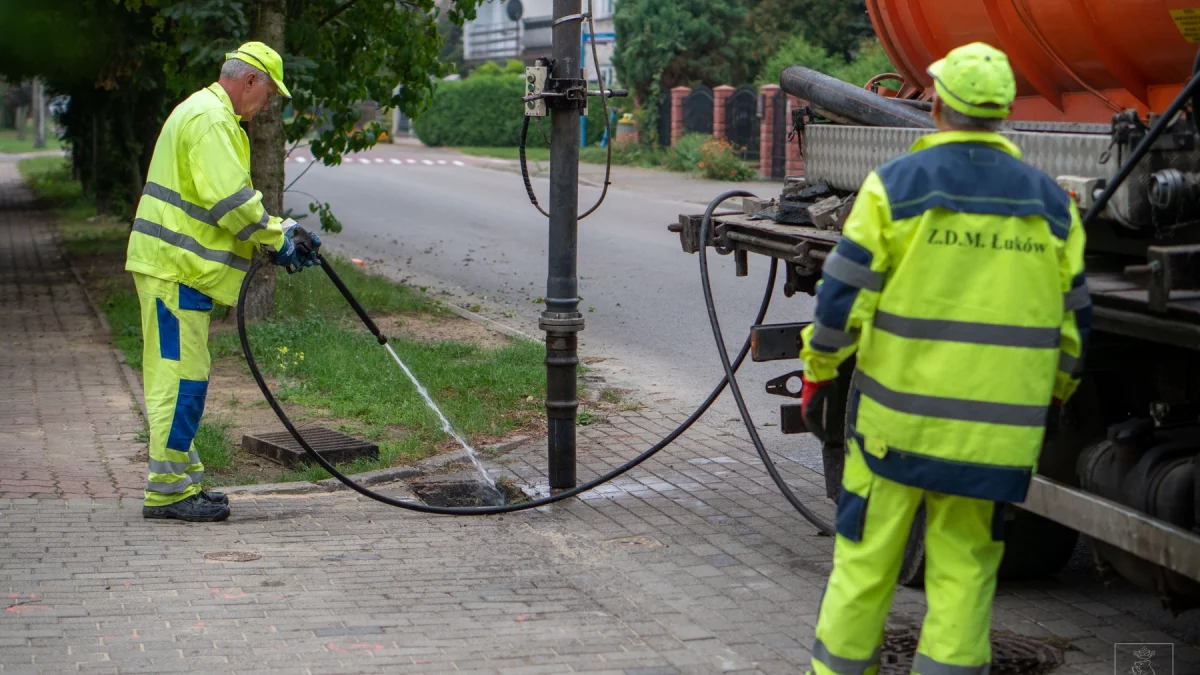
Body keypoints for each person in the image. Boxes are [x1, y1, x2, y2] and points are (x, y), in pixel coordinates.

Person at [799, 42, 1090, 675]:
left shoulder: (895, 188)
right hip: (993, 441)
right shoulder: (1051, 203)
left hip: (893, 433)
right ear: (1006, 113)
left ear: (934, 105)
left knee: (865, 565)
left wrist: (818, 376)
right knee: (963, 575)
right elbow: (1073, 327)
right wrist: (1058, 394)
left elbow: (839, 303)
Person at [125, 42, 322, 522]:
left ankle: (182, 483)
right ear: (250, 80)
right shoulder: (213, 120)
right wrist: (278, 240)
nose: (268, 104)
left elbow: (224, 199)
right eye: (270, 93)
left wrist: (282, 228)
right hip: (174, 271)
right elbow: (232, 203)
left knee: (186, 378)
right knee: (178, 382)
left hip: (177, 270)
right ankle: (169, 493)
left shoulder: (204, 112)